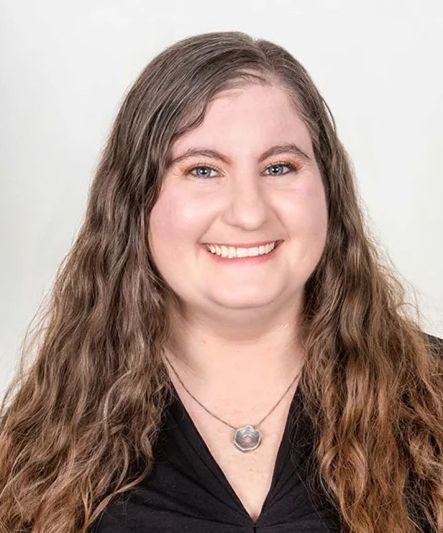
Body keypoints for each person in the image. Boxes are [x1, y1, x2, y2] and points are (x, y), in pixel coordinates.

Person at [0, 31, 441, 533]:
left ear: (329, 191)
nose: (248, 213)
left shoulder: (435, 401)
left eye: (279, 167)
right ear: (134, 202)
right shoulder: (46, 443)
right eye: (203, 170)